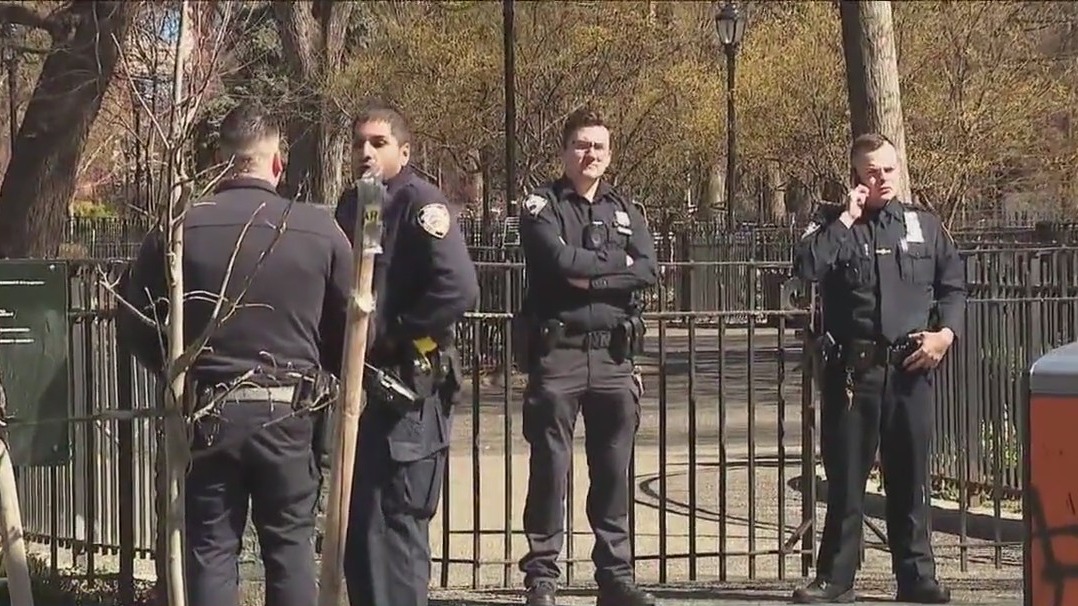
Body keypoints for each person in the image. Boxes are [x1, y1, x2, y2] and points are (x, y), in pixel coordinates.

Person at [118, 102, 353, 606]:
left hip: (207, 412)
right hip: (290, 413)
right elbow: (350, 332)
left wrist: (176, 373)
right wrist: (323, 378)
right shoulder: (320, 231)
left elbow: (135, 321)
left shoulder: (180, 229)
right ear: (277, 162)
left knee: (209, 551)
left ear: (220, 162)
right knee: (290, 550)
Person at [791, 133, 966, 604]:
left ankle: (917, 577)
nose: (882, 178)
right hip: (854, 374)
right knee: (846, 479)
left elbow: (953, 286)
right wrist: (847, 217)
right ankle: (835, 579)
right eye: (871, 171)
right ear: (855, 176)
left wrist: (945, 335)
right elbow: (807, 266)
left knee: (910, 478)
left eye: (889, 169)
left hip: (910, 369)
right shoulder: (831, 224)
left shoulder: (923, 225)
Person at [336, 102, 479, 606]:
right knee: (362, 531)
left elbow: (458, 288)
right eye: (359, 143)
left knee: (395, 528)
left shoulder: (421, 203)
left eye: (378, 143)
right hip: (362, 389)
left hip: (407, 391)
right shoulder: (357, 204)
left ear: (404, 151)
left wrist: (396, 335)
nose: (366, 151)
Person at [514, 108, 659, 606]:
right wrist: (617, 265)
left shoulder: (625, 209)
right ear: (564, 152)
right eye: (580, 145)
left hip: (614, 358)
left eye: (598, 146)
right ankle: (542, 577)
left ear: (609, 154)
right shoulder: (542, 206)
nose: (589, 154)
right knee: (550, 469)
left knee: (613, 471)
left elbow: (648, 269)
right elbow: (556, 262)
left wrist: (589, 275)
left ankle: (615, 577)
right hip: (559, 355)